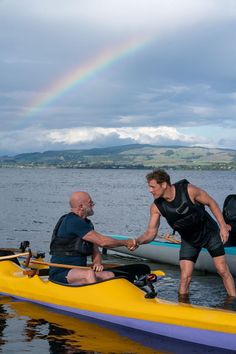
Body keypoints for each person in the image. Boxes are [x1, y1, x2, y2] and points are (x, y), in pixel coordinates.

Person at [132, 169, 236, 297]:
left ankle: (233, 301)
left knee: (222, 270)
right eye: (149, 187)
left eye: (153, 187)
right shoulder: (156, 207)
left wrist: (223, 227)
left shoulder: (189, 190)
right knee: (185, 276)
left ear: (164, 184)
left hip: (210, 234)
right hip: (189, 240)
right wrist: (138, 241)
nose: (150, 190)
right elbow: (151, 232)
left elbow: (211, 203)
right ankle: (182, 306)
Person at [49, 191, 135, 285]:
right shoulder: (72, 221)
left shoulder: (87, 224)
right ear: (81, 206)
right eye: (90, 202)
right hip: (61, 272)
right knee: (89, 274)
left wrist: (97, 263)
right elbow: (103, 242)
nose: (93, 204)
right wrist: (126, 242)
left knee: (109, 275)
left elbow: (95, 249)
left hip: (79, 270)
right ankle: (94, 298)